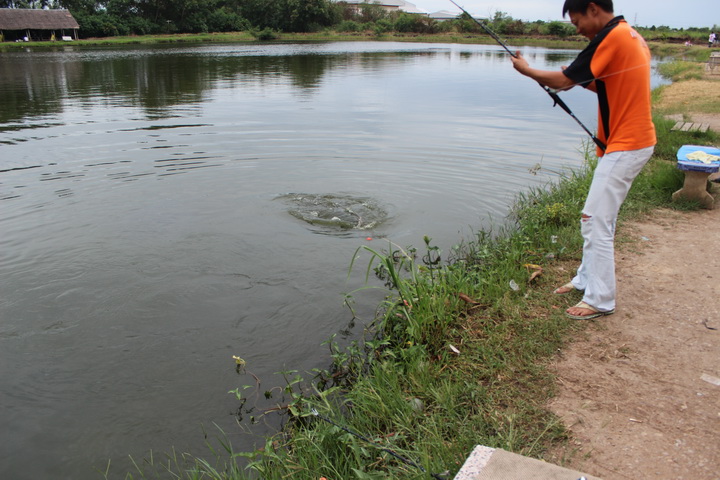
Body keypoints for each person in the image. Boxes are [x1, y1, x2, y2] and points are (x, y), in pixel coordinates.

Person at [510, 0, 656, 320]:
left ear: (593, 9)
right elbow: (599, 84)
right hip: (629, 141)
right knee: (601, 217)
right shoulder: (627, 35)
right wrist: (552, 76)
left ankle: (600, 299)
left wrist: (528, 70)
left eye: (577, 21)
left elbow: (565, 81)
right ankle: (585, 280)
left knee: (593, 219)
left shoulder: (611, 37)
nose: (577, 29)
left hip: (627, 143)